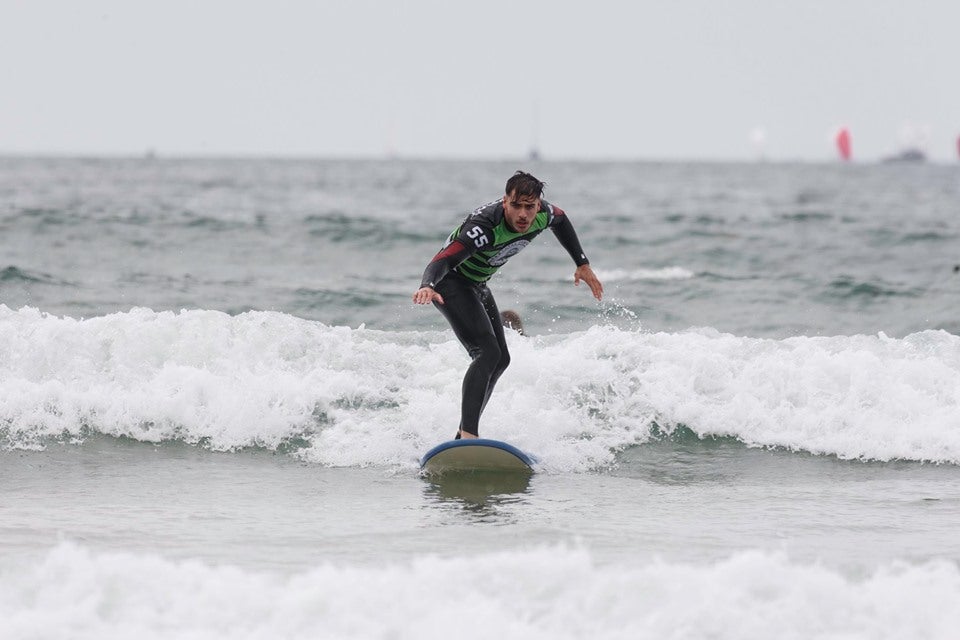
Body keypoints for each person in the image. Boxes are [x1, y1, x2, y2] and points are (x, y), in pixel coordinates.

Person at [412, 171, 603, 440]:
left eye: (529, 207)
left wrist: (582, 263)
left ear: (538, 205)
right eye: (516, 206)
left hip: (478, 283)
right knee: (486, 353)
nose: (523, 214)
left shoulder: (543, 214)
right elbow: (443, 260)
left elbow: (561, 219)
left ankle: (462, 435)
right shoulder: (483, 228)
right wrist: (428, 285)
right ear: (505, 202)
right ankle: (469, 436)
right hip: (450, 283)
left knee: (501, 359)